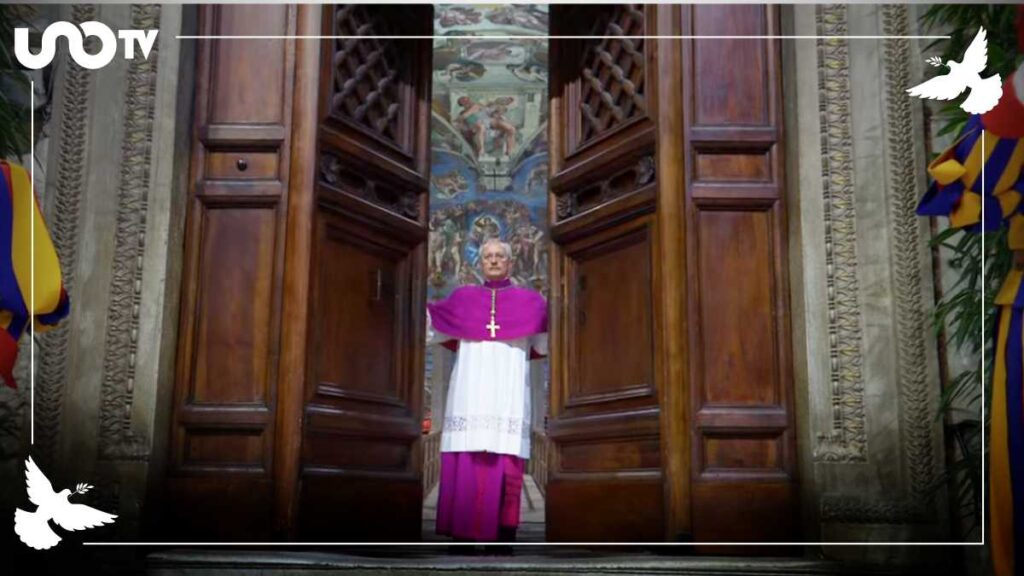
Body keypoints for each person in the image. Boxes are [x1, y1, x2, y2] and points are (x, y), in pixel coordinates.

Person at [426, 237, 548, 548]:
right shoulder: (463, 297)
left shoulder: (532, 303)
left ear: (510, 262)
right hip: (470, 388)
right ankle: (462, 531)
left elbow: (543, 344)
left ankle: (503, 533)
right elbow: (434, 326)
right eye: (488, 257)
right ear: (480, 263)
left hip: (508, 390)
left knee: (504, 460)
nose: (493, 261)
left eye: (499, 256)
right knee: (469, 455)